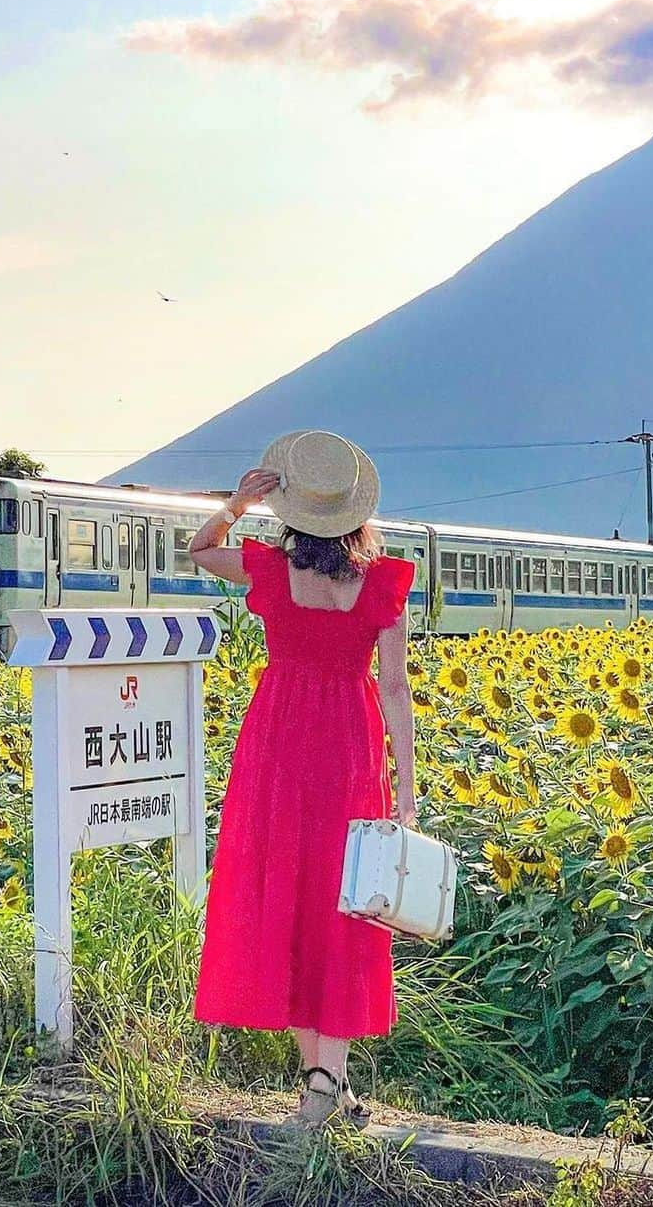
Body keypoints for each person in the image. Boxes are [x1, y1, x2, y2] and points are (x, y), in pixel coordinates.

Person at [188, 429, 417, 1130]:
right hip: (347, 749)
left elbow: (198, 550)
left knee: (284, 896)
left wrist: (234, 503)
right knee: (341, 907)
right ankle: (329, 1082)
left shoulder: (263, 570)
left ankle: (321, 1083)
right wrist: (406, 788)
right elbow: (397, 689)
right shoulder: (381, 585)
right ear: (358, 517)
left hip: (277, 747)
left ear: (293, 512)